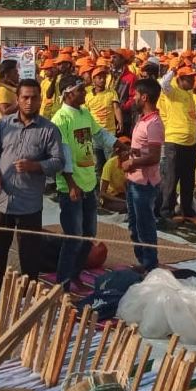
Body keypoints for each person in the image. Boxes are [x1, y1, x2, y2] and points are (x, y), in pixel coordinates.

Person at [0, 78, 63, 289]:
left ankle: (27, 299)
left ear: (40, 99)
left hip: (29, 204)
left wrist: (34, 166)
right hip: (1, 200)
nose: (29, 102)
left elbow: (58, 161)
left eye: (33, 97)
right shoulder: (4, 125)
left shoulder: (49, 130)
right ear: (17, 99)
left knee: (29, 258)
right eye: (25, 97)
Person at [52, 74, 116, 290]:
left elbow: (99, 135)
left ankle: (76, 274)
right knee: (73, 238)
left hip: (89, 183)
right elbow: (63, 155)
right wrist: (71, 184)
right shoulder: (60, 120)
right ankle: (63, 282)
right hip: (72, 188)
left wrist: (118, 145)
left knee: (88, 236)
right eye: (81, 90)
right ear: (68, 93)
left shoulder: (85, 113)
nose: (85, 93)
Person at [123, 78, 165, 272]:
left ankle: (149, 263)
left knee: (144, 225)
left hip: (144, 183)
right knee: (134, 224)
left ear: (145, 97)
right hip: (134, 180)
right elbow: (144, 149)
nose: (134, 98)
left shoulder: (154, 123)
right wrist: (131, 153)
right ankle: (142, 261)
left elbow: (154, 156)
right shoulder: (143, 119)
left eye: (136, 95)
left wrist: (133, 162)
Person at [157, 65, 196, 221]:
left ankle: (186, 211)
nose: (193, 80)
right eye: (189, 78)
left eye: (193, 77)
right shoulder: (173, 92)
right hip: (174, 142)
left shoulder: (189, 95)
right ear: (180, 79)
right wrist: (173, 71)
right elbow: (164, 84)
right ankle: (166, 212)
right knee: (171, 179)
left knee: (187, 180)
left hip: (190, 144)